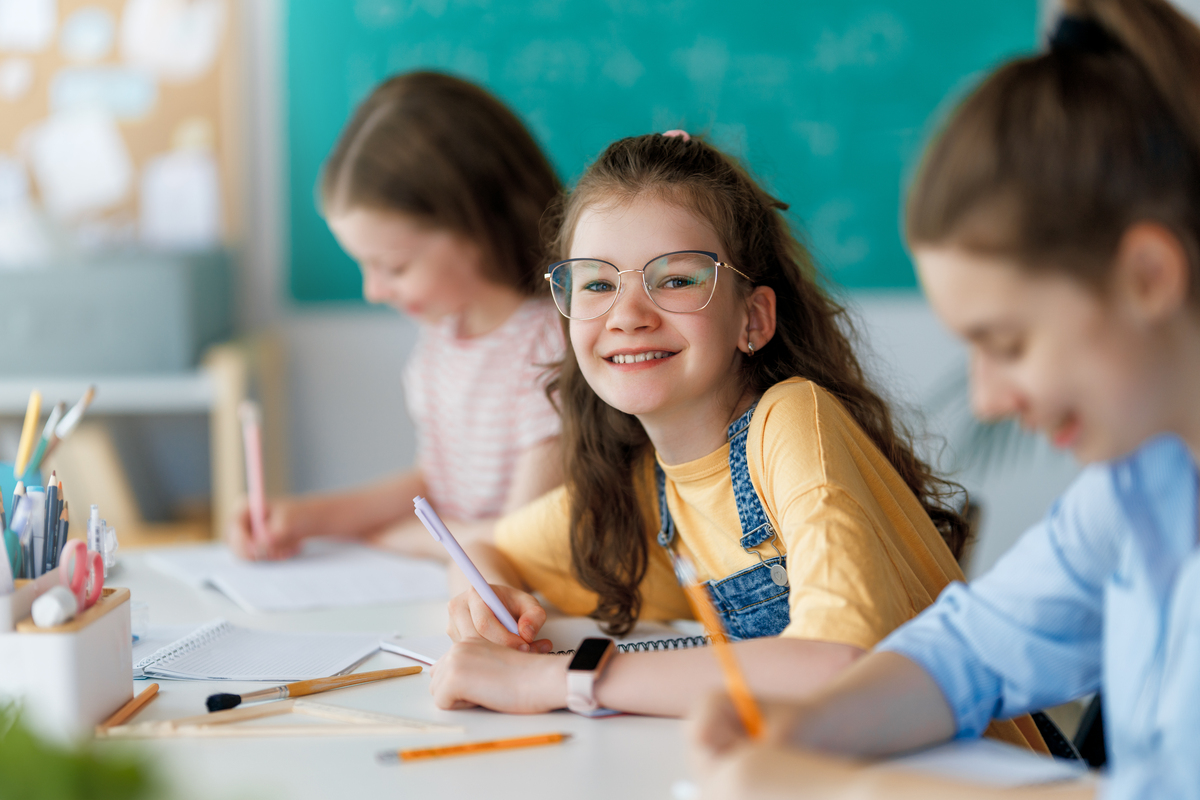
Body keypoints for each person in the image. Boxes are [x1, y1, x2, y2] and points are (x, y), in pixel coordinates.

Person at [690, 1, 1200, 797]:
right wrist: (805, 728)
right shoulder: (1139, 488)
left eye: (1006, 343)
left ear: (1148, 278)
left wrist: (847, 788)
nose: (990, 399)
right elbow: (978, 649)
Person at [426, 131, 1042, 750]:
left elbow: (838, 663)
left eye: (676, 279)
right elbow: (482, 546)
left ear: (753, 318)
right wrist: (482, 610)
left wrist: (557, 679)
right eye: (595, 283)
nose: (627, 313)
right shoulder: (648, 486)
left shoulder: (791, 421)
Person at [227, 72, 565, 561]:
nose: (373, 290)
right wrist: (304, 519)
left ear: (476, 222)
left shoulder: (550, 346)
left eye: (394, 267)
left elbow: (521, 540)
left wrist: (392, 538)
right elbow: (436, 482)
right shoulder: (444, 337)